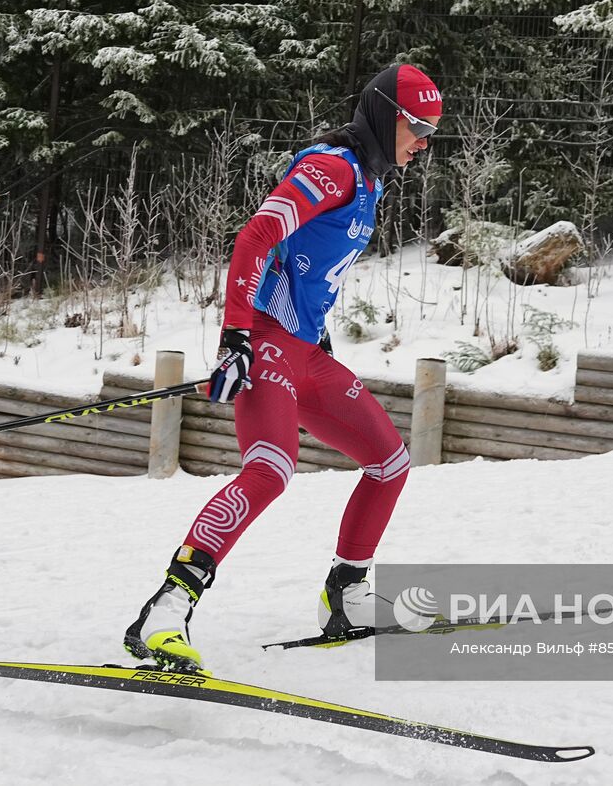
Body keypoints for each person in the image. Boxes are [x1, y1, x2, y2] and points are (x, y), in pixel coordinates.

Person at [123, 64, 442, 672]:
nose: (424, 142)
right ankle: (165, 609)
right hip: (265, 343)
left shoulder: (370, 181)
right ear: (382, 115)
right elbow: (256, 238)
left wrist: (316, 337)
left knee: (390, 461)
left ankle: (345, 596)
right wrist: (236, 337)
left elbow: (306, 271)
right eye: (417, 126)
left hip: (303, 353)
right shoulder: (331, 168)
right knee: (270, 470)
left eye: (431, 131)